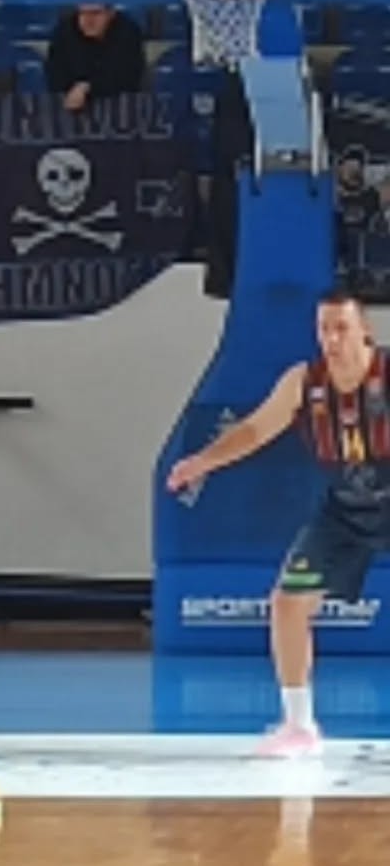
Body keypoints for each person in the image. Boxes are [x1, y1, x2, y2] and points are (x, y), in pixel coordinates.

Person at [166, 288, 390, 757]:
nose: (332, 339)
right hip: (345, 509)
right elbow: (253, 430)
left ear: (365, 330)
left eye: (342, 328)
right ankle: (299, 726)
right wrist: (202, 462)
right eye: (324, 329)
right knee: (288, 603)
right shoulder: (303, 383)